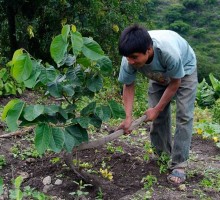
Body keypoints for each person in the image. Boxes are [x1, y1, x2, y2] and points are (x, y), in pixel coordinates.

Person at [117, 24, 198, 185]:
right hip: (158, 76)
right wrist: (128, 117)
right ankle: (161, 156)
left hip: (184, 72)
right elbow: (128, 85)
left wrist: (157, 109)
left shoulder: (169, 53)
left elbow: (175, 83)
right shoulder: (128, 59)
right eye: (128, 58)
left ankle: (179, 164)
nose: (131, 61)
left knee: (184, 115)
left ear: (148, 50)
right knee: (158, 118)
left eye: (134, 57)